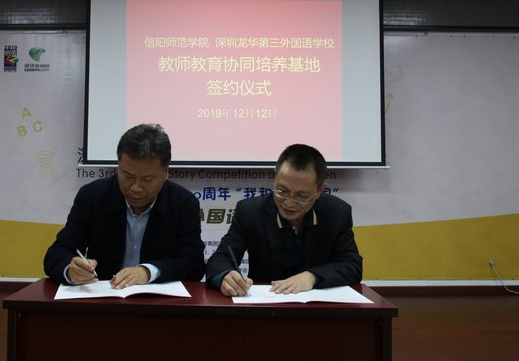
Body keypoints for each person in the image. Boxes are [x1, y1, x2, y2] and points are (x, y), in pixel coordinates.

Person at [44, 123, 205, 288]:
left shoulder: (183, 203)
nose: (135, 187)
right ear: (118, 167)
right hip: (102, 297)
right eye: (127, 176)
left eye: (147, 179)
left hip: (156, 300)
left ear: (165, 173)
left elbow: (194, 264)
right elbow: (57, 253)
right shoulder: (93, 196)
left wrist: (148, 272)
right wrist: (71, 270)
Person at [206, 143, 362, 296]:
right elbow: (220, 258)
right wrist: (225, 276)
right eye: (282, 191)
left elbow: (352, 265)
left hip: (318, 307)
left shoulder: (337, 213)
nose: (289, 203)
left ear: (320, 190)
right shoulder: (250, 212)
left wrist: (312, 277)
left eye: (302, 196)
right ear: (275, 176)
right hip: (266, 304)